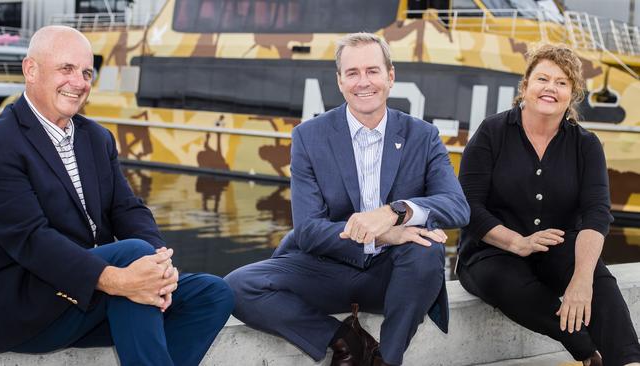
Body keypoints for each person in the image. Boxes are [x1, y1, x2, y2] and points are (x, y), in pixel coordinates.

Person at [0, 25, 234, 365]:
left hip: (91, 298)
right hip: (28, 304)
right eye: (67, 69)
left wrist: (159, 264)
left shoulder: (96, 137)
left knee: (213, 293)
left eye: (87, 72)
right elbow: (31, 240)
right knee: (130, 255)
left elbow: (128, 209)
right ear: (31, 70)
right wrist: (117, 278)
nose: (79, 82)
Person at [225, 32, 469, 366]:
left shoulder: (422, 136)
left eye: (372, 71)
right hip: (328, 268)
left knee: (426, 249)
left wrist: (396, 213)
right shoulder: (309, 137)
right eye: (352, 73)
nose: (363, 82)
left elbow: (457, 206)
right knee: (237, 286)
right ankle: (344, 341)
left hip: (394, 276)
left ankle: (387, 358)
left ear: (390, 76)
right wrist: (380, 234)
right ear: (340, 81)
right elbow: (308, 230)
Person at [456, 43, 640, 366]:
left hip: (555, 247)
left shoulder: (586, 145)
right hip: (492, 250)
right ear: (525, 86)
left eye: (561, 82)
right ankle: (586, 350)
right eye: (542, 79)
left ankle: (629, 361)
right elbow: (468, 206)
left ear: (573, 94)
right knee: (508, 283)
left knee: (597, 280)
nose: (550, 89)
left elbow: (597, 214)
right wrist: (518, 242)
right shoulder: (491, 133)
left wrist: (581, 280)